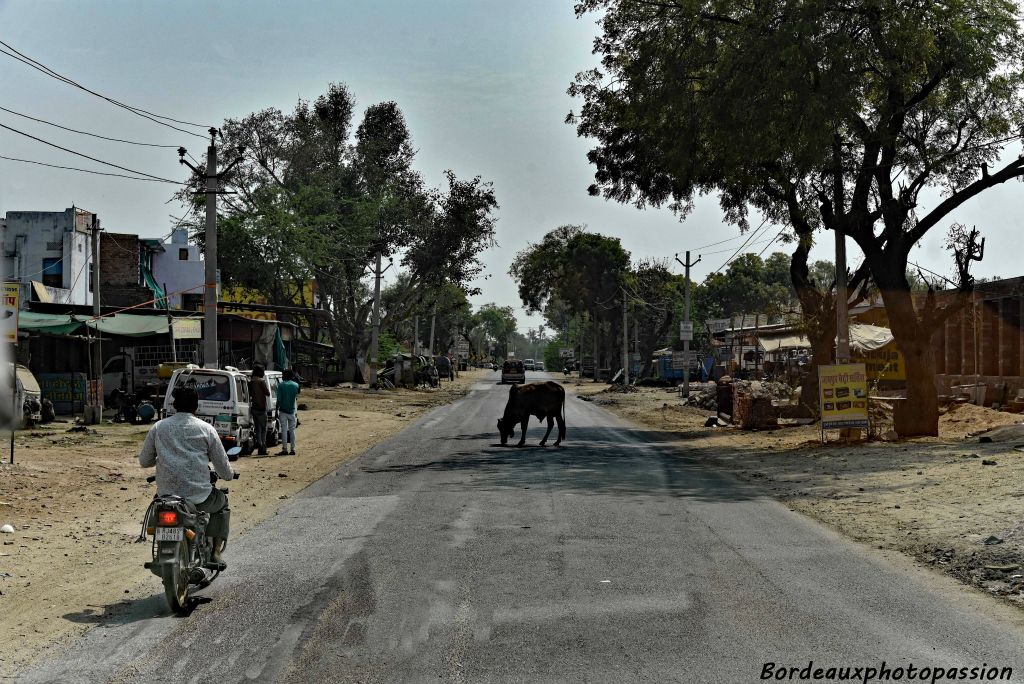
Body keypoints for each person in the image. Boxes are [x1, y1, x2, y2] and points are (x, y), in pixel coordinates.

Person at [138, 386, 235, 564]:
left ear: (174, 405)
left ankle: (161, 547)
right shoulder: (206, 429)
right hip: (199, 497)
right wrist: (229, 475)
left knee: (157, 506)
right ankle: (215, 552)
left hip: (166, 495)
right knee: (222, 504)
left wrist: (163, 458)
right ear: (196, 407)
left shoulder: (159, 427)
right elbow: (224, 469)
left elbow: (145, 461)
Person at [276, 368, 300, 456]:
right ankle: (293, 449)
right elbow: (296, 396)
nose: (282, 376)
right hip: (292, 411)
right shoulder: (296, 385)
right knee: (292, 430)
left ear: (286, 376)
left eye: (283, 375)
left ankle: (285, 449)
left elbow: (279, 399)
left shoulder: (281, 385)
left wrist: (276, 410)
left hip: (283, 411)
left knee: (284, 430)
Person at [248, 365, 271, 456]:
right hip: (261, 408)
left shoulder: (251, 381)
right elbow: (268, 393)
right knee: (264, 429)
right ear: (260, 372)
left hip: (254, 408)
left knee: (257, 428)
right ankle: (262, 447)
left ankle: (260, 445)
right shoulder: (261, 381)